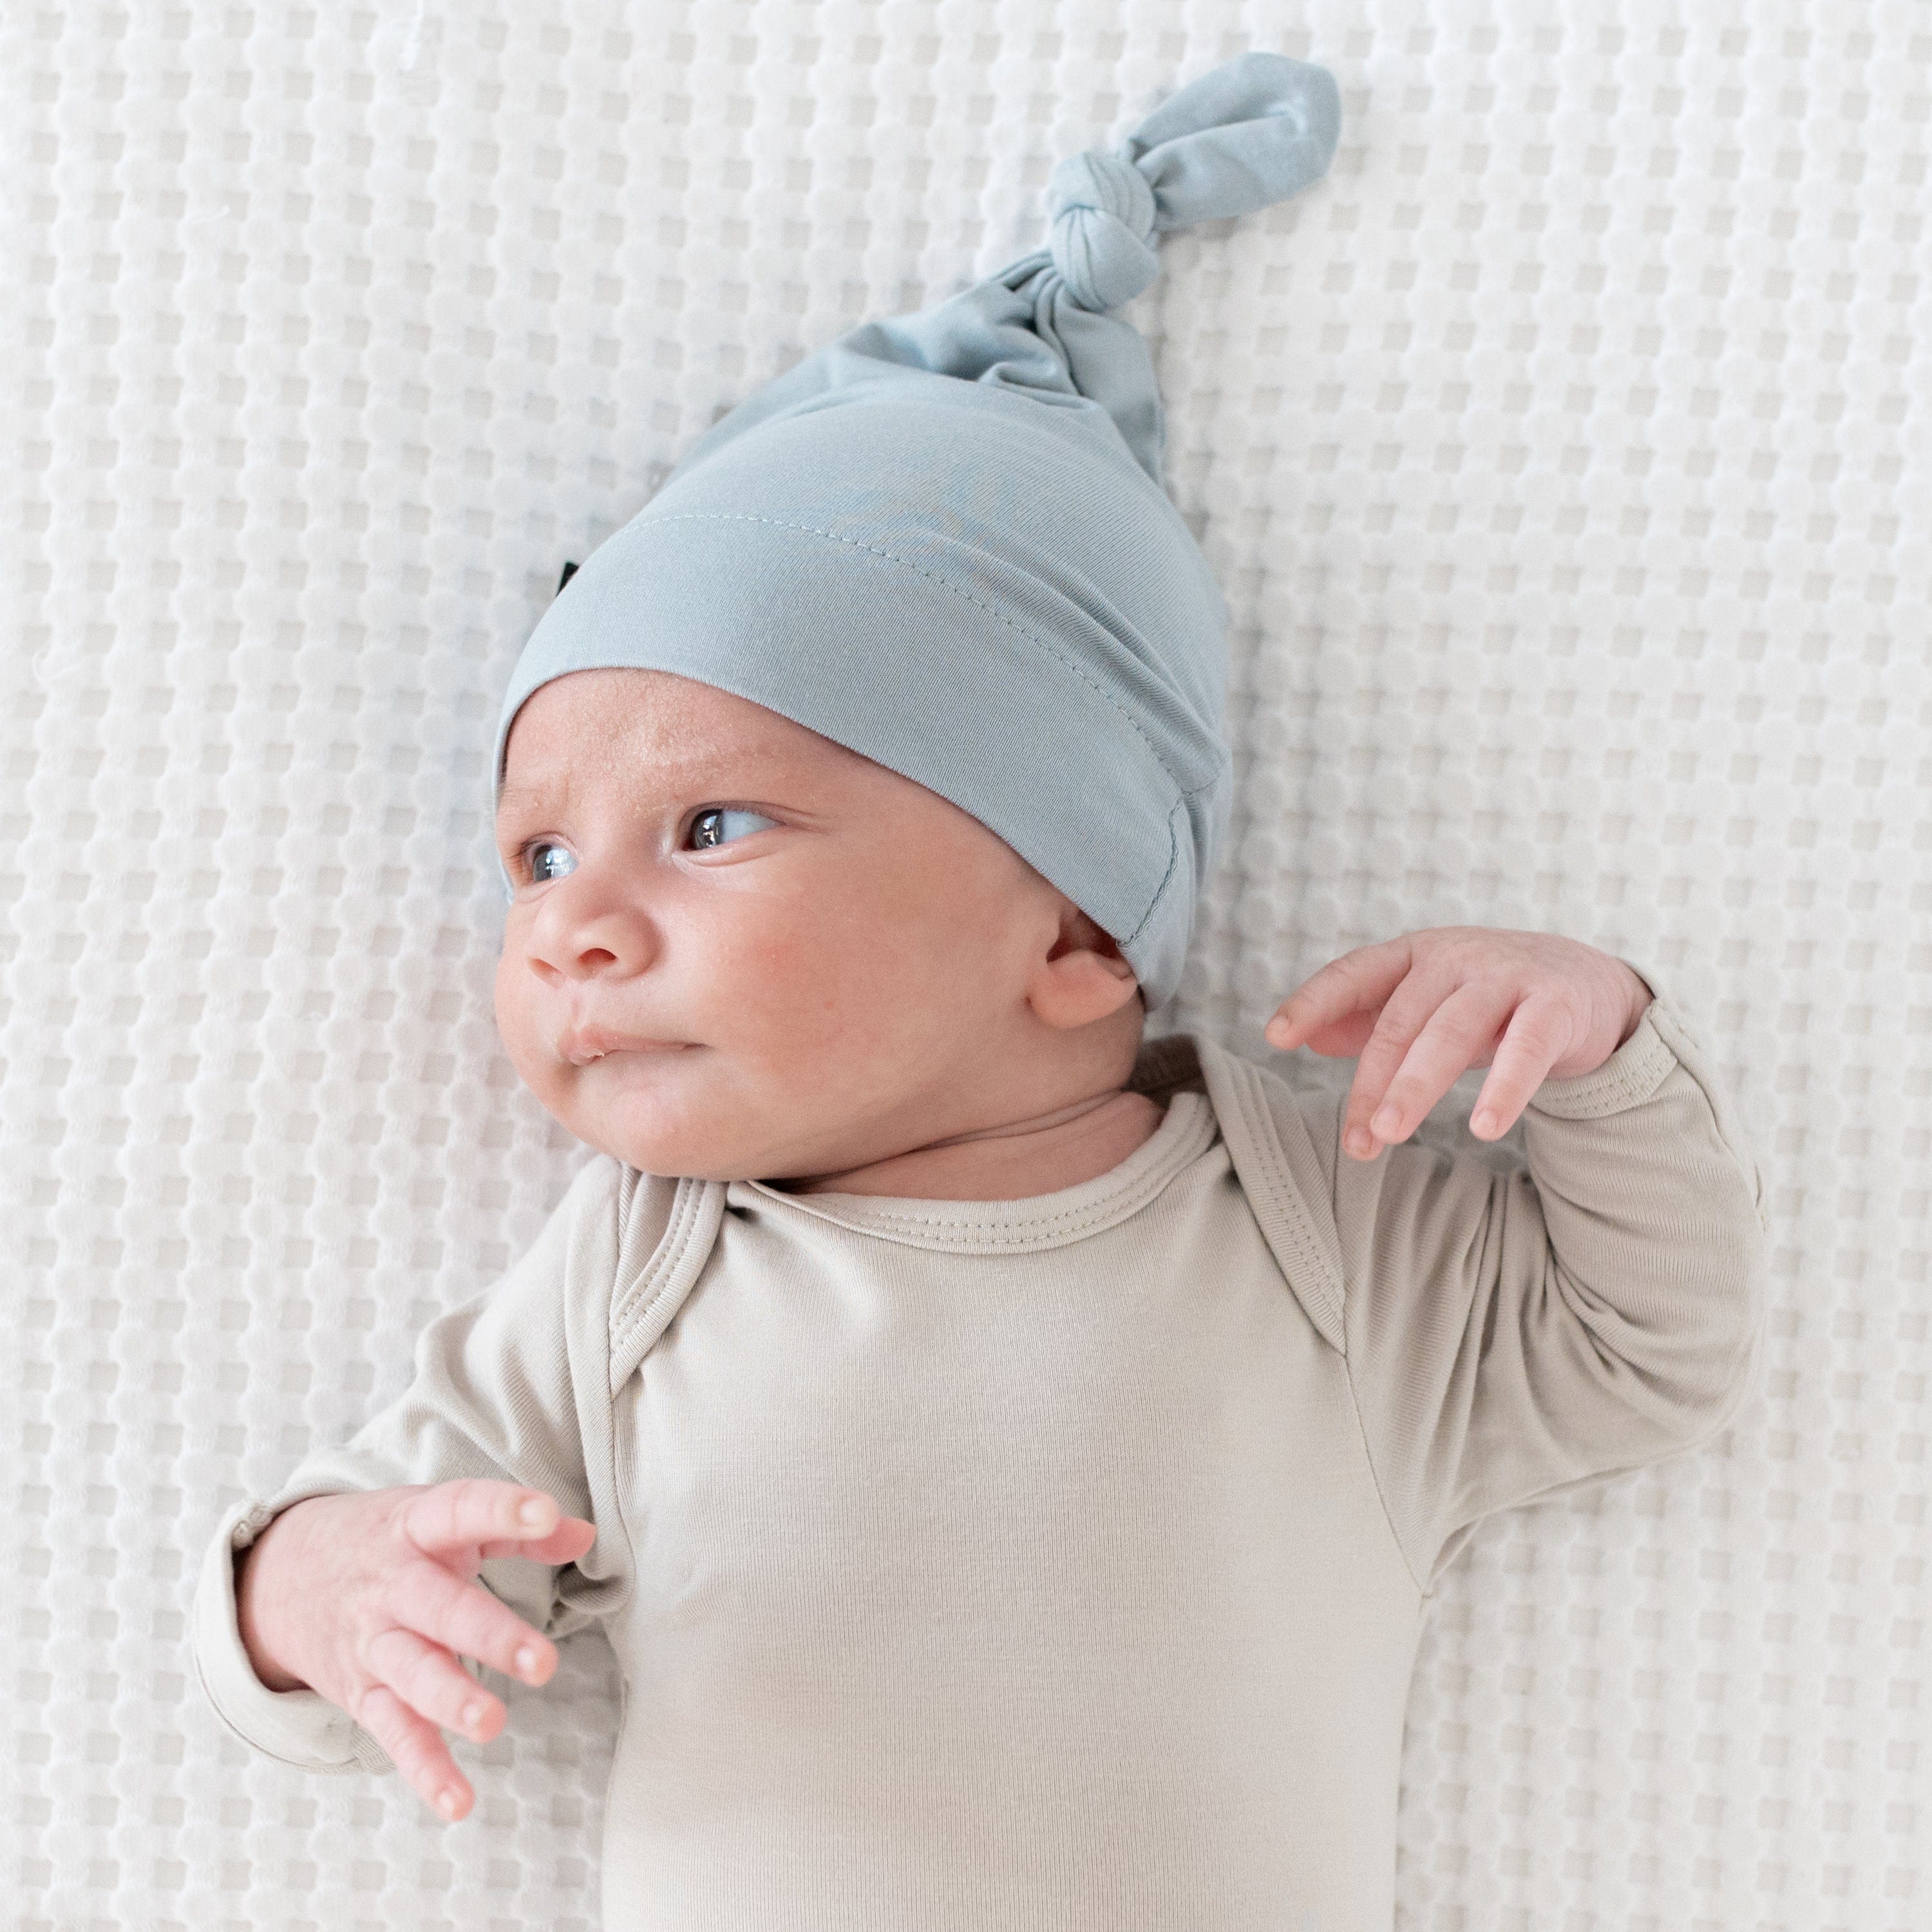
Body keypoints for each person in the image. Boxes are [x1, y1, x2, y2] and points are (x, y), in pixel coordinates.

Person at [190, 50, 1767, 1932]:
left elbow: (1642, 1355)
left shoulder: (1303, 1233)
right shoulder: (644, 1273)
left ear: (1075, 932)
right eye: (536, 856)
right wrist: (318, 1591)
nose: (571, 928)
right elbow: (375, 1559)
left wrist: (1591, 1049)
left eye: (705, 826)